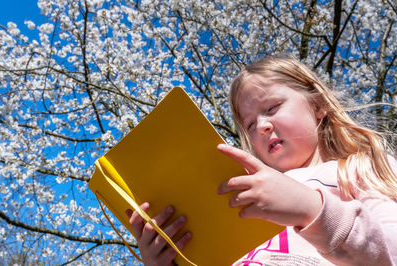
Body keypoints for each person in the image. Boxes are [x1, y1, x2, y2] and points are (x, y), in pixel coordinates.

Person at [126, 54, 397, 265]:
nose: (262, 126)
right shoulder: (243, 194)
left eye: (272, 108)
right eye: (250, 124)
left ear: (318, 105)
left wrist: (311, 209)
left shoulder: (359, 168)